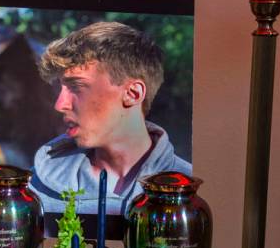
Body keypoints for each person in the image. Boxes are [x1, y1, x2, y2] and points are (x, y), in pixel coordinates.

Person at [30, 21, 192, 216]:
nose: (60, 104)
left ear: (132, 93)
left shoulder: (191, 193)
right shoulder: (32, 191)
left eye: (77, 87)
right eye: (60, 88)